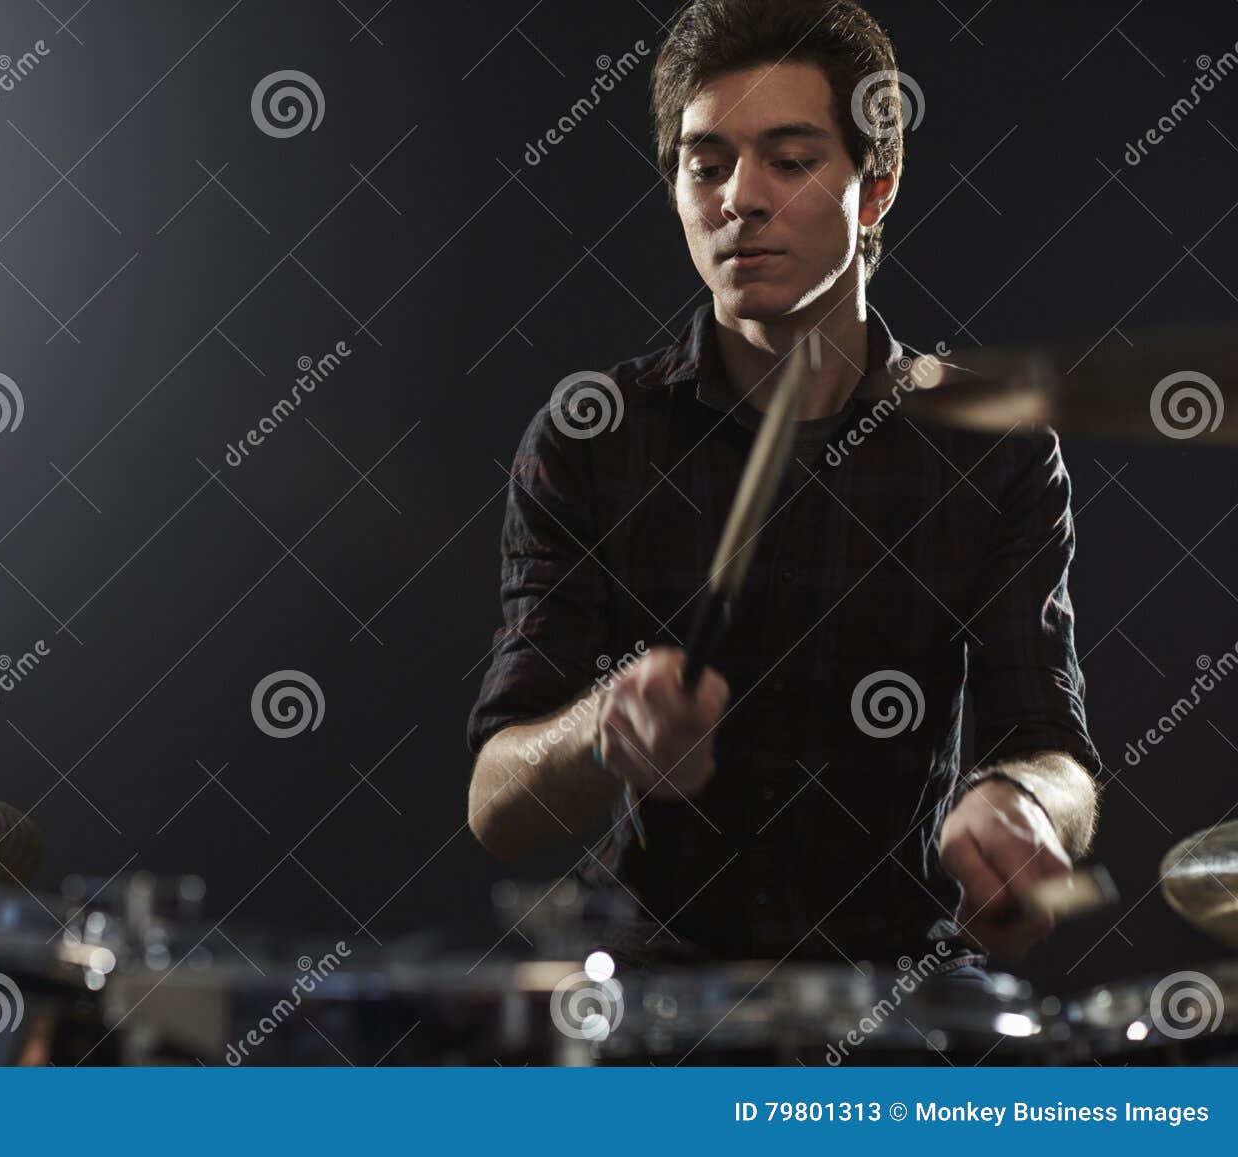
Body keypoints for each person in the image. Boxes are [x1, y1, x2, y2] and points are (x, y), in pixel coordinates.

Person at [464, 0, 1100, 971]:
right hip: (648, 988)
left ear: (875, 188)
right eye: (706, 162)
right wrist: (607, 731)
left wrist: (1021, 803)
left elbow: (1050, 743)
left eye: (790, 160)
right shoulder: (591, 435)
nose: (738, 198)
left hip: (899, 990)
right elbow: (494, 802)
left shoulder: (991, 446)